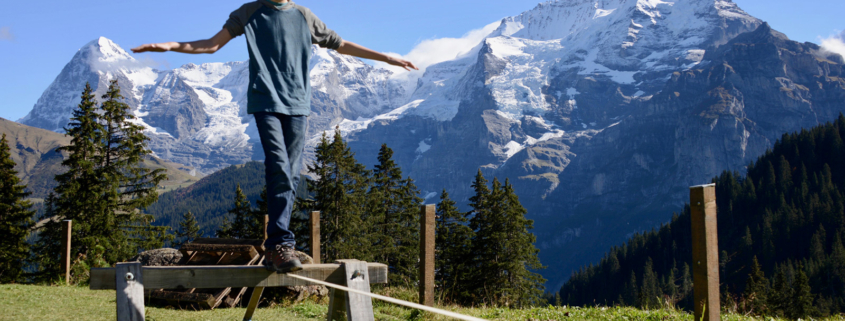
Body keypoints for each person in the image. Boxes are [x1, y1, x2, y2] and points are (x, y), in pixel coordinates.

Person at [132, 0, 417, 273]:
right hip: (265, 101)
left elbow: (340, 45)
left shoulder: (305, 16)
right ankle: (282, 244)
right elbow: (211, 45)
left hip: (298, 105)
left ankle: (273, 251)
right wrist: (169, 45)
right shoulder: (249, 12)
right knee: (279, 165)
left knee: (291, 172)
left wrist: (386, 57)